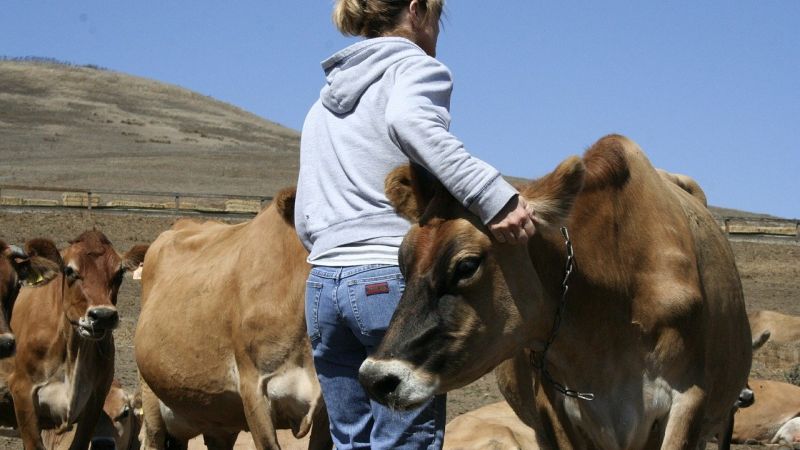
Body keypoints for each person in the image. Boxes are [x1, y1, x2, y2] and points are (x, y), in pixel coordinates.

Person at [294, 0, 536, 448]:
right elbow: (409, 120)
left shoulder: (322, 105)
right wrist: (493, 197)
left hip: (322, 289)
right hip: (385, 283)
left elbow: (306, 216)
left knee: (350, 441)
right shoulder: (415, 67)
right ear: (416, 10)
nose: (438, 33)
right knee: (404, 441)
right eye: (438, 18)